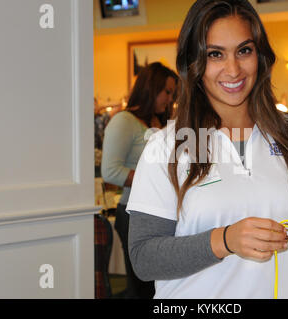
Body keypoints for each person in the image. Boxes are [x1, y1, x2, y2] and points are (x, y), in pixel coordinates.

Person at [126, 0, 288, 299]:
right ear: (194, 63)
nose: (233, 69)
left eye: (244, 51)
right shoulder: (166, 145)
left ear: (260, 56)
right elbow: (144, 258)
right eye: (215, 54)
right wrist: (224, 240)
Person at [101, 62, 178, 299]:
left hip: (166, 210)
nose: (169, 98)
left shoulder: (161, 123)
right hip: (134, 212)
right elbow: (110, 171)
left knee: (164, 284)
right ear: (151, 88)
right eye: (167, 91)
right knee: (142, 286)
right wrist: (153, 179)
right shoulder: (124, 121)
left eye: (172, 94)